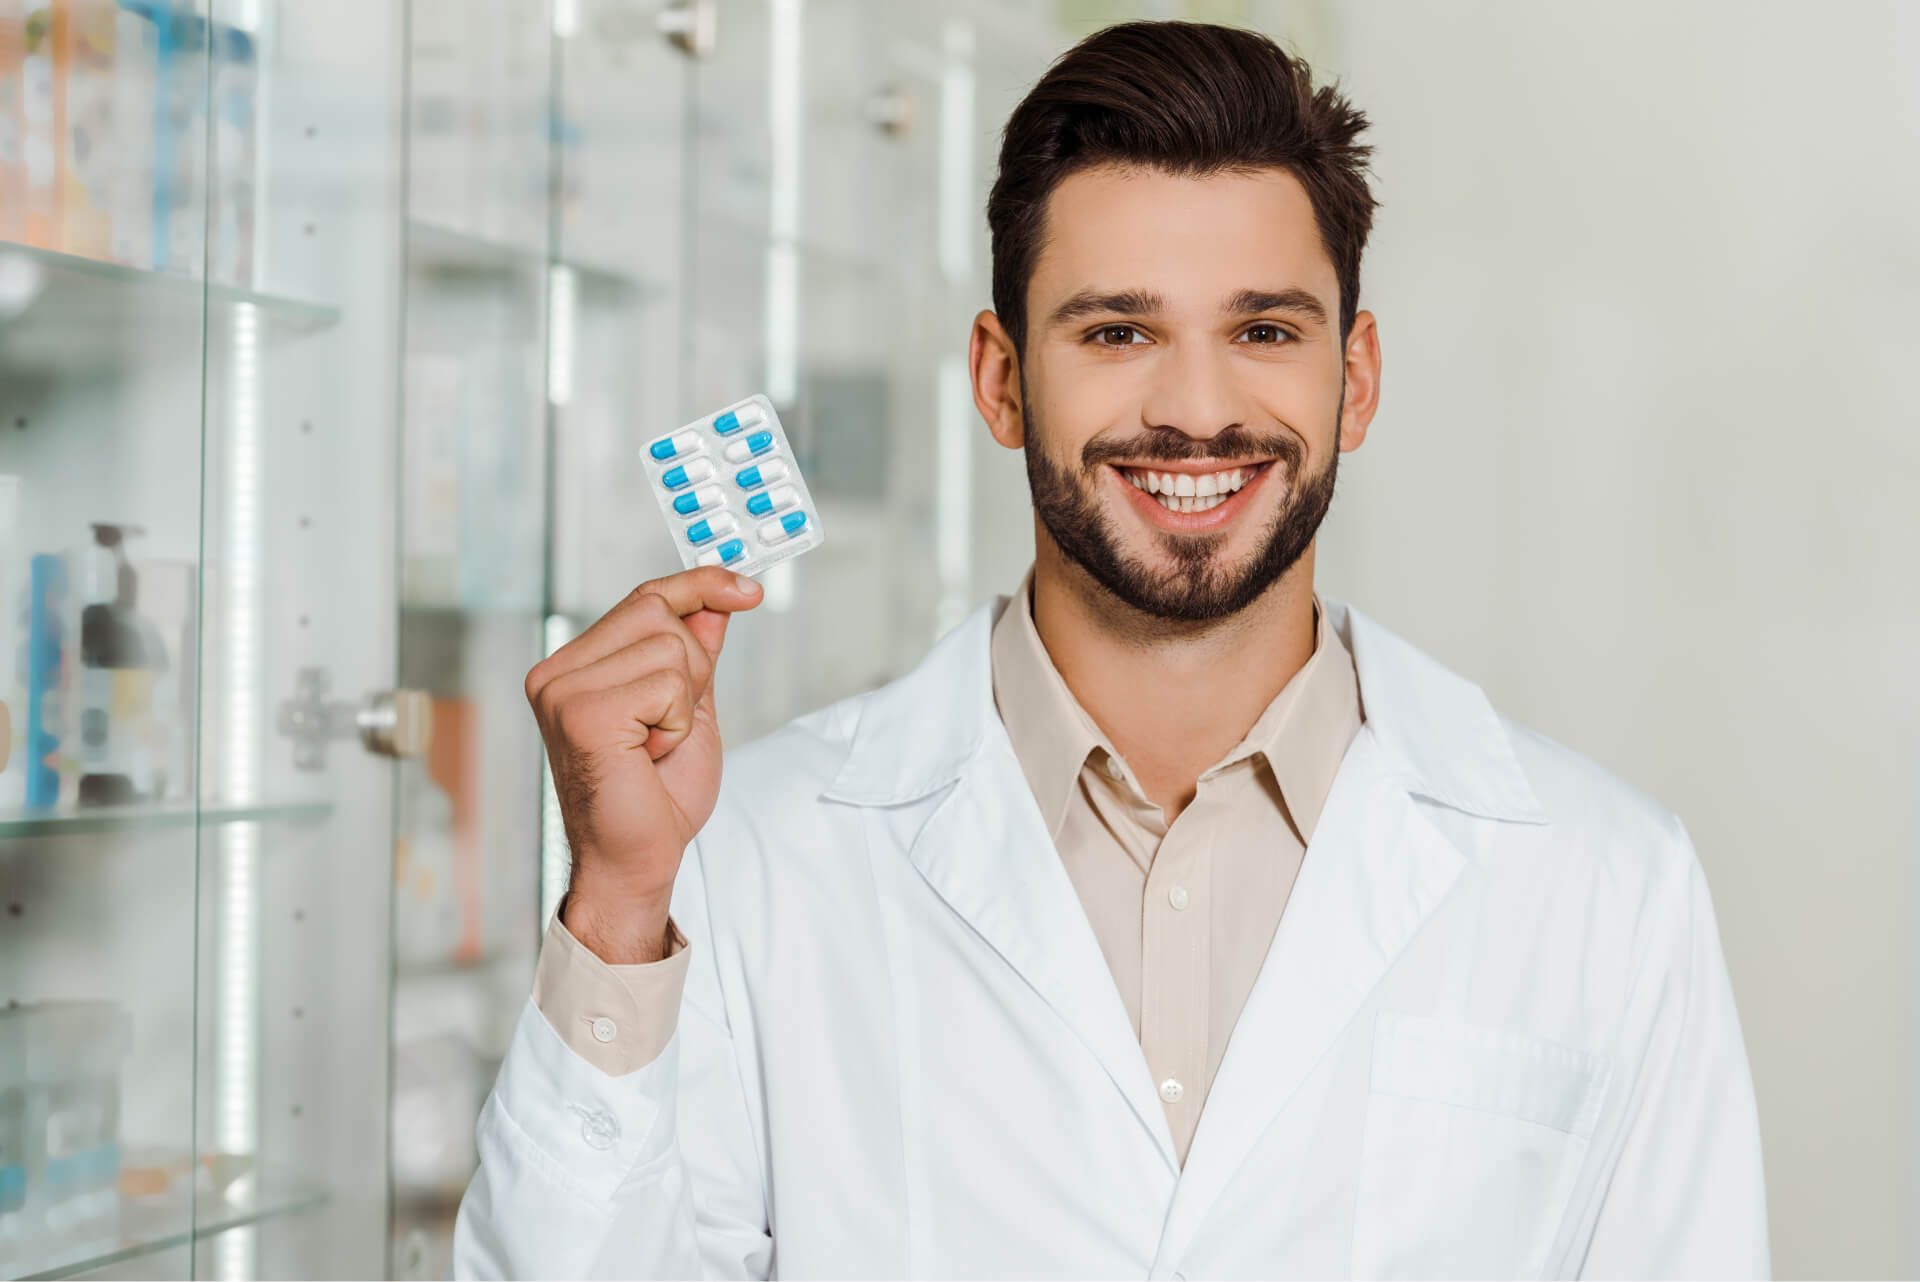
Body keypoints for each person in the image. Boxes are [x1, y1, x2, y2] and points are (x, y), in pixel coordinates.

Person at [454, 20, 1768, 1279]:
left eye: (1263, 330)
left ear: (1354, 380)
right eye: (1117, 331)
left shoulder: (1602, 881)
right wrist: (620, 906)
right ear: (1001, 377)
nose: (1195, 409)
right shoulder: (751, 852)